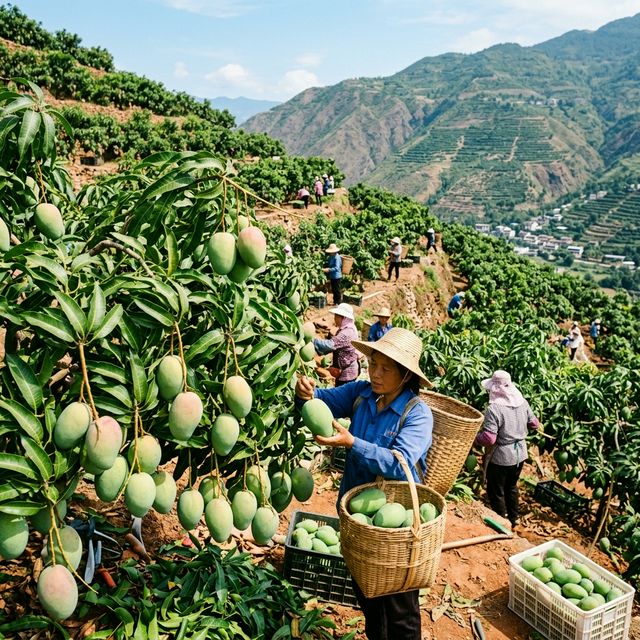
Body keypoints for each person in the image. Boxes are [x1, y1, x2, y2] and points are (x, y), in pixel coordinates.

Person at [295, 327, 433, 640]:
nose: (376, 373)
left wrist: (352, 443)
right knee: (367, 595)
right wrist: (306, 391)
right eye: (373, 364)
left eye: (386, 369)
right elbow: (323, 399)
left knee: (400, 608)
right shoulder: (361, 393)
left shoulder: (417, 414)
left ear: (406, 376)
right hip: (358, 522)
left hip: (396, 530)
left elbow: (399, 463)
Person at [474, 370, 539, 528]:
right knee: (511, 486)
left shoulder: (494, 409)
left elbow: (490, 438)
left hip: (502, 456)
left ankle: (502, 521)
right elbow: (534, 424)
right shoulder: (522, 402)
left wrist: (475, 438)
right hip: (520, 454)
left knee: (495, 490)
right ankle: (514, 519)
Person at [312, 303, 360, 386]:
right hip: (344, 370)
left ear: (343, 317)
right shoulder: (349, 327)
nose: (334, 318)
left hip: (347, 374)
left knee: (343, 395)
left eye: (336, 316)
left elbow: (329, 345)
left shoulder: (347, 333)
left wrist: (312, 340)